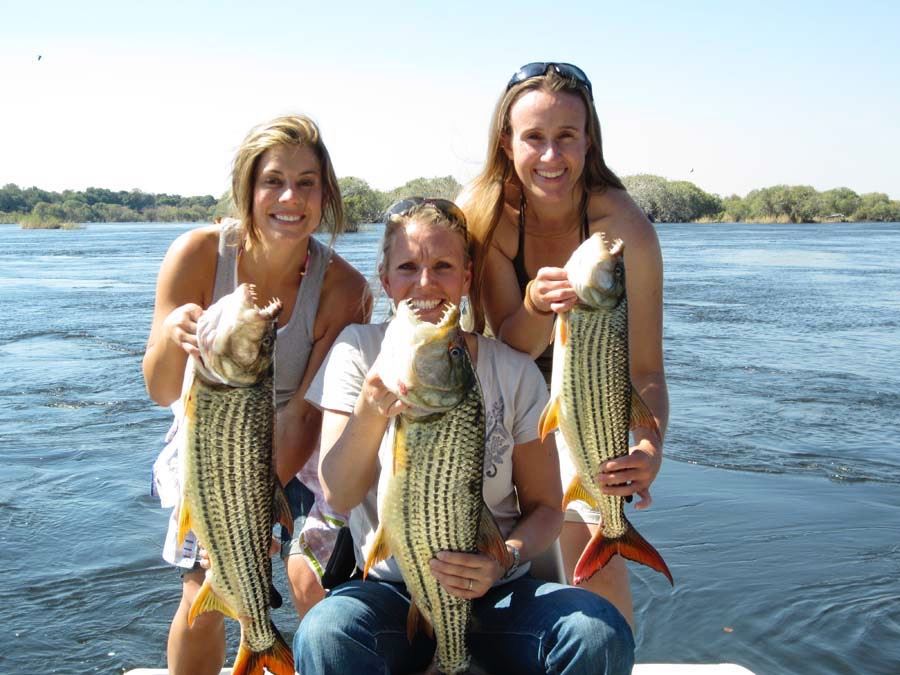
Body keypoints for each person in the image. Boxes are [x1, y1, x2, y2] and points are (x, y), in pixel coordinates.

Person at [294, 198, 634, 674]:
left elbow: (546, 508)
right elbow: (340, 493)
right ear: (385, 279)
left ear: (468, 278)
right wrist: (370, 411)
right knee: (325, 635)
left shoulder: (514, 371)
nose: (425, 283)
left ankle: (456, 656)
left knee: (599, 632)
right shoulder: (357, 349)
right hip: (390, 590)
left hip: (499, 592)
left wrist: (502, 558)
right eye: (407, 267)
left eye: (443, 266)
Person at [143, 114, 370, 675]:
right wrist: (174, 333)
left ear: (325, 194)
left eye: (307, 183)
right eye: (273, 181)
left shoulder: (345, 287)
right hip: (211, 438)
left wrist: (256, 511)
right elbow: (161, 388)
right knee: (204, 589)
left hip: (304, 438)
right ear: (246, 188)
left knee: (314, 579)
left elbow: (305, 416)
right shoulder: (197, 254)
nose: (290, 198)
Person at [460, 62, 669, 629]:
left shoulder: (625, 226)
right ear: (506, 142)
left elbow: (646, 371)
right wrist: (534, 305)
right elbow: (508, 343)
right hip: (503, 389)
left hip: (589, 405)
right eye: (534, 137)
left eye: (567, 137)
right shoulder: (484, 214)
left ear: (589, 140)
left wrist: (647, 447)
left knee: (597, 594)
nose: (551, 156)